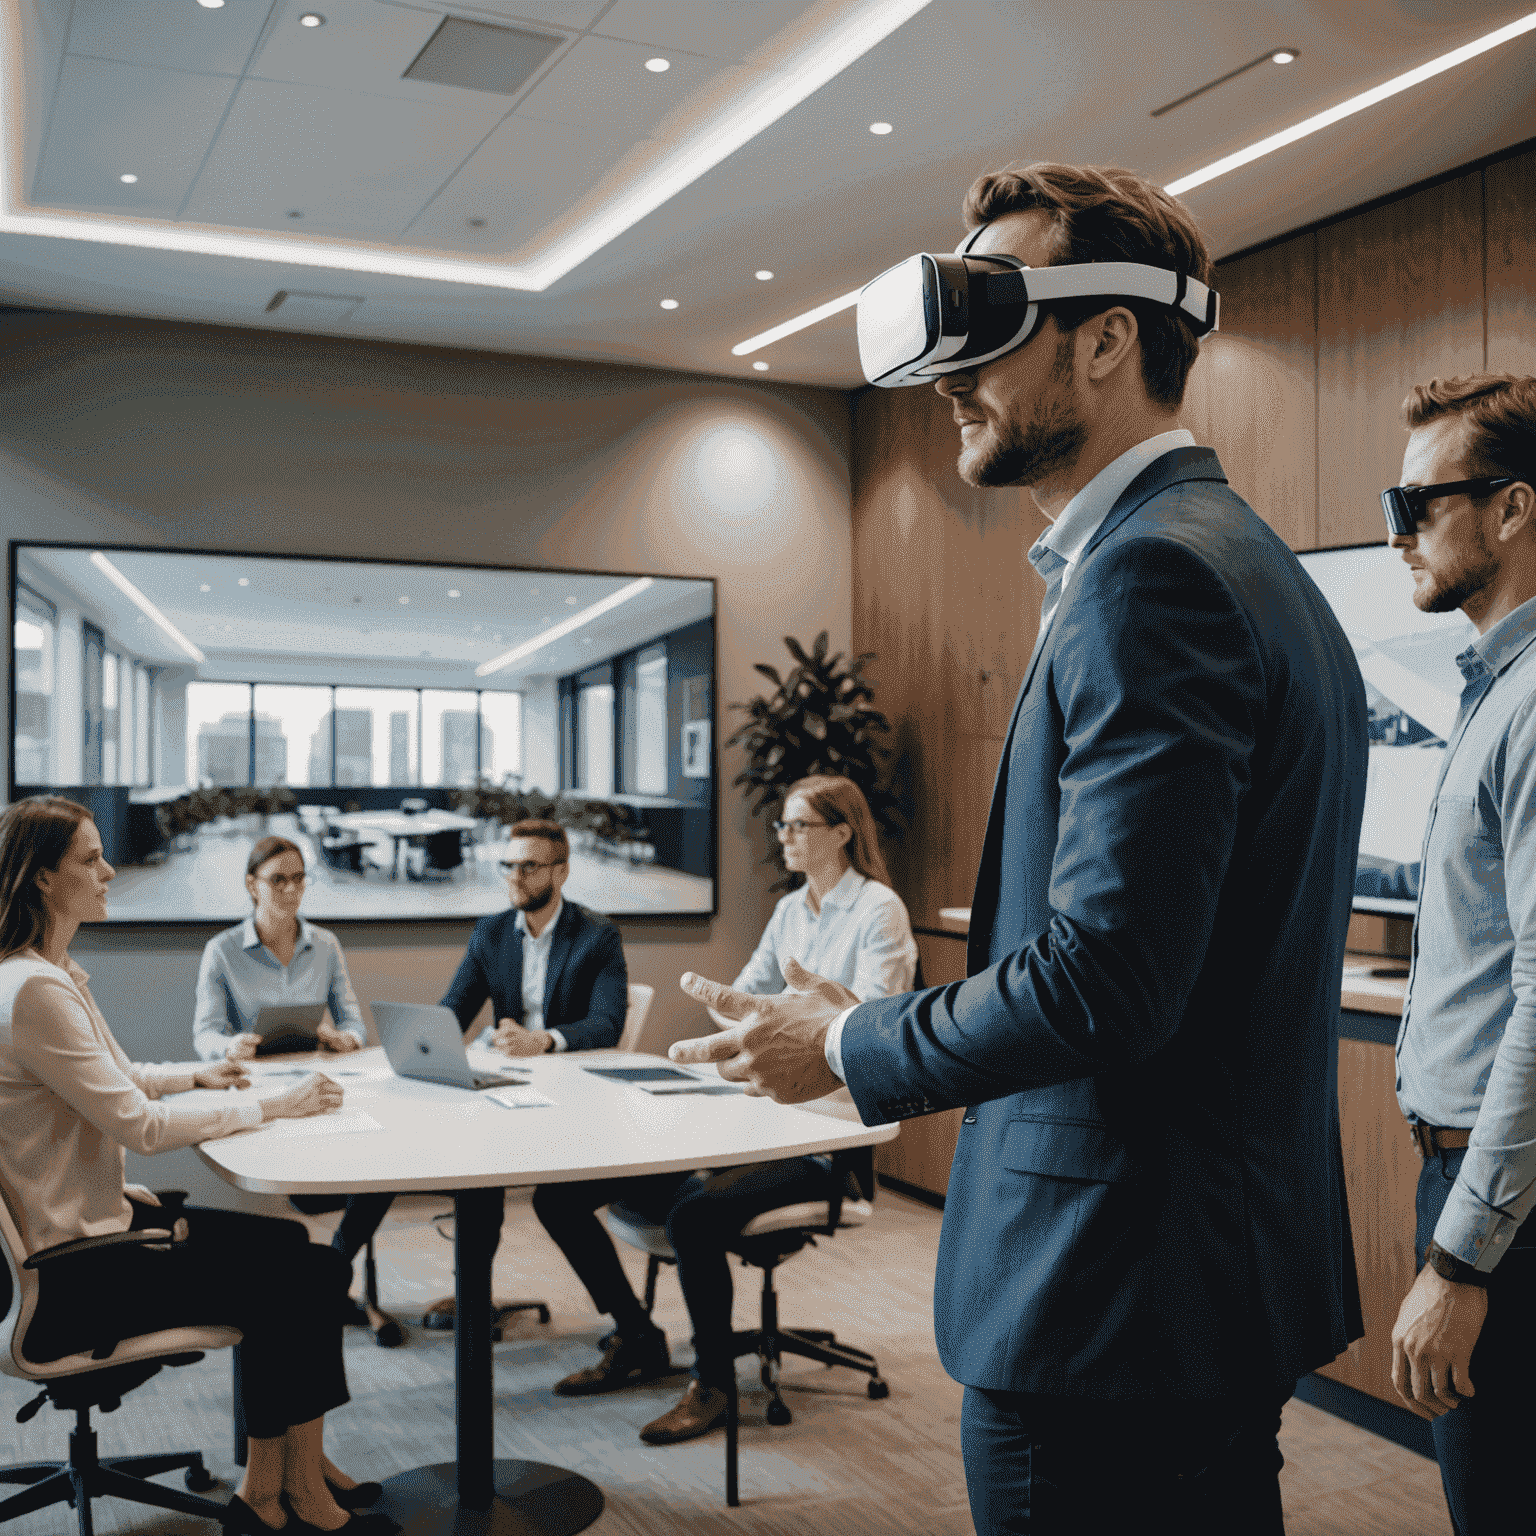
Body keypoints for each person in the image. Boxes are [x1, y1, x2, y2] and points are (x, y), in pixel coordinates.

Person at [673, 162, 1369, 1534]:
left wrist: (854, 1043)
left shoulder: (1154, 579)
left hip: (1107, 1295)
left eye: (988, 321)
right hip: (1191, 1281)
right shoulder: (1245, 565)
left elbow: (1109, 977)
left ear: (1108, 338)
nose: (949, 377)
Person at [0, 796, 379, 1534]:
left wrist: (195, 1076)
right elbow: (138, 1127)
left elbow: (117, 1077)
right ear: (43, 878)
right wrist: (273, 1106)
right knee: (306, 1277)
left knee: (298, 1253)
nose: (109, 871)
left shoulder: (38, 973)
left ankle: (288, 1473)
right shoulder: (38, 989)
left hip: (75, 1239)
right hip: (78, 1273)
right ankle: (287, 1494)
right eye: (90, 859)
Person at [531, 775, 917, 1446]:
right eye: (782, 826)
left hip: (829, 1140)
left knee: (694, 1215)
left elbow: (879, 1025)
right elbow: (741, 996)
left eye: (797, 825)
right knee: (560, 1196)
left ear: (841, 832)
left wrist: (797, 1023)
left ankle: (711, 1385)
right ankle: (638, 1335)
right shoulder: (793, 909)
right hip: (755, 1122)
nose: (785, 837)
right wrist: (753, 1016)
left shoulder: (879, 909)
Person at [1383, 374, 1536, 1536]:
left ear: (1513, 511)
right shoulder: (1493, 692)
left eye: (1419, 503)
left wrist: (1466, 1260)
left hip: (1508, 1210)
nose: (1399, 534)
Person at [338, 819, 629, 1330]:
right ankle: (330, 1279)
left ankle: (478, 1299)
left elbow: (606, 1024)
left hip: (569, 1097)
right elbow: (455, 1009)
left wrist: (546, 1039)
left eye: (529, 866)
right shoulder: (492, 932)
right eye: (508, 865)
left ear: (560, 872)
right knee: (394, 1150)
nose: (514, 875)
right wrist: (426, 1041)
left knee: (511, 1183)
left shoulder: (596, 935)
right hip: (508, 1089)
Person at [192, 837, 399, 1347]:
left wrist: (341, 1038)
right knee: (311, 1193)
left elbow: (354, 1023)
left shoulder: (325, 944)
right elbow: (204, 1036)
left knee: (383, 1166)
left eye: (299, 878)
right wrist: (229, 1046)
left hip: (322, 1082)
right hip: (265, 1093)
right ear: (251, 886)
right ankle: (328, 1279)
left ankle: (328, 1272)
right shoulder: (222, 950)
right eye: (278, 879)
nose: (291, 889)